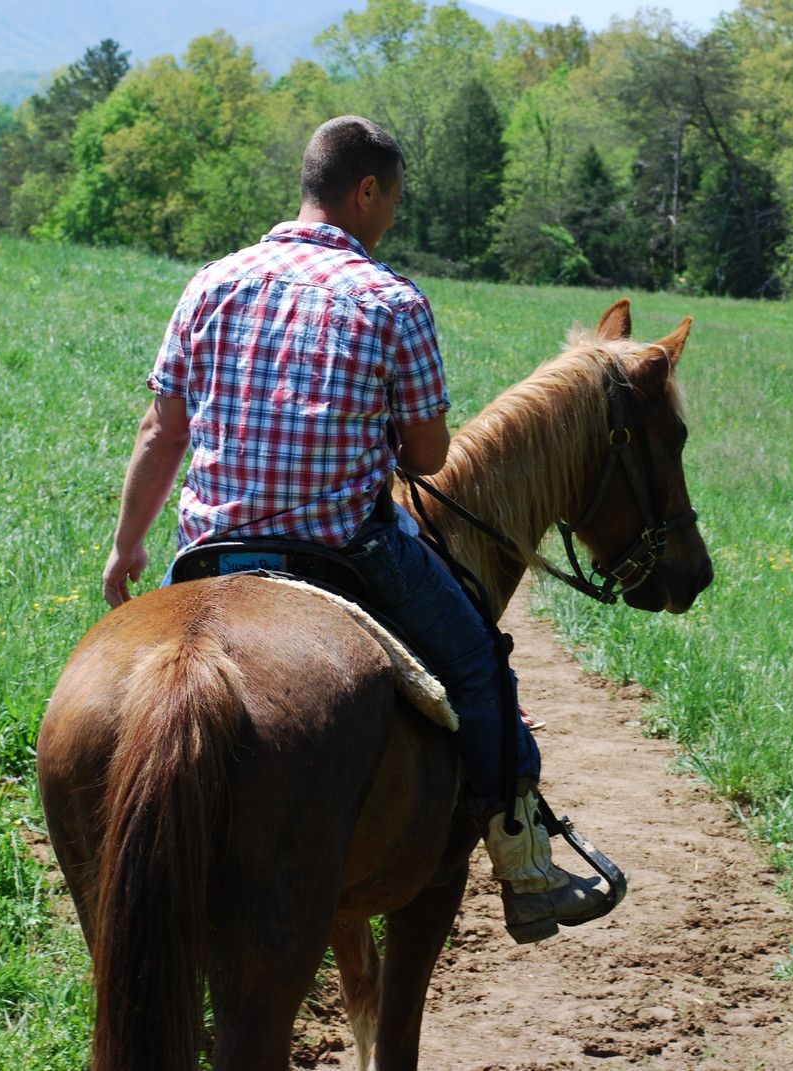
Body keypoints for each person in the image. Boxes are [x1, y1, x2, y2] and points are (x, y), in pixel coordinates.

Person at [100, 115, 610, 943]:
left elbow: (163, 431)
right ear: (365, 191)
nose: (392, 219)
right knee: (482, 672)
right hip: (344, 549)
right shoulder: (392, 300)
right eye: (394, 202)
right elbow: (430, 453)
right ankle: (526, 872)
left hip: (210, 550)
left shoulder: (211, 282)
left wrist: (128, 543)